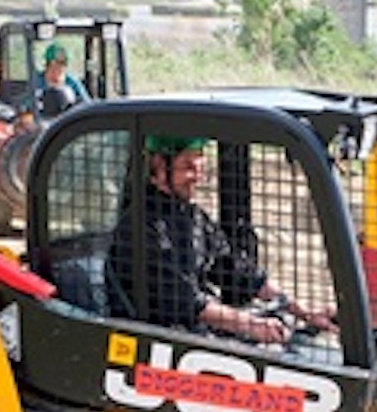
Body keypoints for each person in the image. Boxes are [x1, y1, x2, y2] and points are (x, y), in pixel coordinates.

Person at [108, 135, 336, 346]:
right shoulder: (141, 228)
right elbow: (187, 303)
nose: (197, 177)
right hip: (161, 339)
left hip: (191, 333)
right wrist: (249, 324)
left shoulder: (192, 216)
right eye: (188, 167)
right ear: (158, 166)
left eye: (200, 167)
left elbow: (234, 269)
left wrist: (303, 312)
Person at [36, 42, 89, 115]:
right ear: (47, 65)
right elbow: (26, 106)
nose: (57, 70)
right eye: (54, 65)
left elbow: (87, 106)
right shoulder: (36, 82)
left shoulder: (73, 83)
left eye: (62, 64)